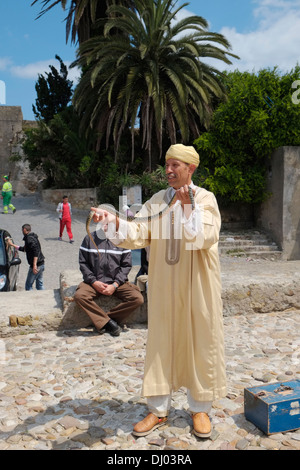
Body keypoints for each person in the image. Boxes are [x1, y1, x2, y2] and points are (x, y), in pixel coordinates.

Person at [90, 144, 226, 439]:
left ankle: (200, 408)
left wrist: (187, 205)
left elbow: (203, 237)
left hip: (197, 287)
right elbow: (138, 234)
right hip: (164, 286)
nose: (168, 170)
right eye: (167, 164)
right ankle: (158, 409)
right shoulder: (156, 201)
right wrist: (112, 221)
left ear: (191, 168)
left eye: (175, 165)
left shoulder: (206, 199)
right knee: (160, 344)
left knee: (200, 341)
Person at [74, 224, 144, 337]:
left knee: (137, 298)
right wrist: (94, 282)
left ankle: (107, 321)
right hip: (93, 282)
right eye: (102, 221)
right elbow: (83, 263)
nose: (105, 225)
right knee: (80, 296)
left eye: (108, 222)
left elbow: (126, 266)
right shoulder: (89, 238)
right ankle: (109, 323)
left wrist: (115, 285)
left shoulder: (122, 240)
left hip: (117, 282)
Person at [8, 224, 45, 291]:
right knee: (39, 285)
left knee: (28, 285)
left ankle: (32, 300)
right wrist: (12, 245)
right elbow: (24, 249)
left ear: (25, 230)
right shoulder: (32, 237)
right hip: (41, 264)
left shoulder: (29, 239)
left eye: (22, 230)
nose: (22, 231)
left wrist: (34, 266)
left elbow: (36, 252)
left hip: (36, 266)